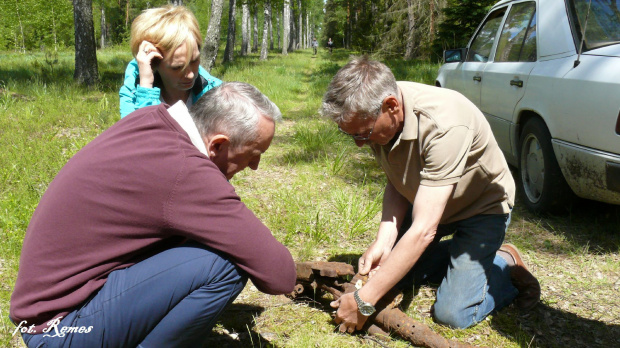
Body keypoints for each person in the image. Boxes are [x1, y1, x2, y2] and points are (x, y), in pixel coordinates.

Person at [10, 82, 296, 347]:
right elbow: (279, 276)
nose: (255, 166)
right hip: (59, 331)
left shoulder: (151, 120)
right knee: (225, 267)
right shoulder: (186, 171)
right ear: (217, 144)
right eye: (253, 153)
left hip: (42, 316)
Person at [320, 56, 541, 332]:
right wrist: (384, 239)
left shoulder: (444, 124)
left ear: (392, 106)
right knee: (394, 272)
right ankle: (461, 257)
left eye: (363, 134)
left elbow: (424, 230)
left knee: (453, 314)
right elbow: (397, 178)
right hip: (430, 199)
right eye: (350, 134)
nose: (359, 143)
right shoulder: (376, 113)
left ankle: (504, 265)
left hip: (482, 208)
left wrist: (364, 302)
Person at [119, 5, 222, 118]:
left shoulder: (216, 92)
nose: (190, 74)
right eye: (177, 67)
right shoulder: (133, 93)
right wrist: (146, 88)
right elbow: (139, 134)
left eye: (194, 60)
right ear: (153, 62)